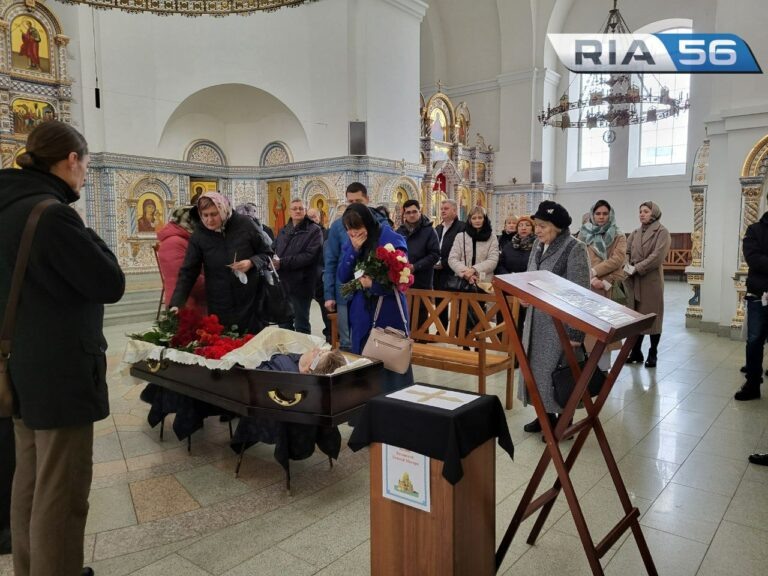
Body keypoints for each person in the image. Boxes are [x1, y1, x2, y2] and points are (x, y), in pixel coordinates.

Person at [0, 120, 125, 576]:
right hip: (59, 372)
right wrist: (87, 230)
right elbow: (109, 281)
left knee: (29, 479)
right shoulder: (50, 213)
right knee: (62, 490)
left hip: (18, 368)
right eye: (86, 164)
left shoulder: (8, 205)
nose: (87, 174)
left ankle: (32, 569)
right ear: (70, 160)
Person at [517, 201, 590, 436]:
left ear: (557, 227)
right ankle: (543, 416)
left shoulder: (574, 248)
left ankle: (564, 419)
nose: (537, 230)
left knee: (556, 373)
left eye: (543, 226)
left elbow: (581, 293)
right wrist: (523, 297)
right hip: (535, 322)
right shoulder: (539, 247)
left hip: (558, 325)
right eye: (536, 225)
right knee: (536, 372)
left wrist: (576, 334)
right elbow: (529, 278)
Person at [170, 192, 272, 335]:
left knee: (253, 346)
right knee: (225, 347)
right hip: (219, 303)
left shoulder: (245, 224)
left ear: (223, 209)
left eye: (214, 214)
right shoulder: (199, 234)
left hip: (251, 301)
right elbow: (188, 271)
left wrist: (251, 262)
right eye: (205, 215)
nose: (209, 220)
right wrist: (177, 302)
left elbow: (267, 253)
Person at [338, 203, 414, 393]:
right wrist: (354, 251)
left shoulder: (391, 240)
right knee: (363, 358)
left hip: (387, 310)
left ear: (368, 223)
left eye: (358, 229)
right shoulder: (353, 242)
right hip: (361, 312)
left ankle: (394, 407)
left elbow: (400, 277)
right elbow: (342, 275)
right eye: (350, 231)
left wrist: (374, 285)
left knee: (388, 357)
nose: (354, 234)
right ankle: (365, 410)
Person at [324, 182, 387, 350]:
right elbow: (330, 261)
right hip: (344, 289)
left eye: (358, 200)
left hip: (371, 290)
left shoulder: (381, 223)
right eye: (350, 202)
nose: (354, 205)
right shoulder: (338, 226)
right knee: (347, 342)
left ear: (367, 199)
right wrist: (329, 294)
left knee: (372, 340)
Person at [578, 200, 626, 371]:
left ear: (610, 215)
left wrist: (596, 272)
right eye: (598, 213)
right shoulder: (584, 234)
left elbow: (618, 260)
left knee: (604, 332)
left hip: (607, 286)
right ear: (592, 214)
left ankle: (603, 370)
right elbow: (579, 258)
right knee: (587, 332)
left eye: (605, 213)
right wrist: (590, 277)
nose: (601, 217)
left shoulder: (618, 235)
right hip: (587, 287)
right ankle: (586, 369)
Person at [624, 201, 671, 368]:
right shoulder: (635, 232)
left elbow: (657, 257)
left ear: (654, 213)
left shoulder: (662, 232)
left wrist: (637, 268)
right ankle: (636, 352)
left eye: (646, 211)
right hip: (634, 280)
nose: (642, 214)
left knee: (653, 317)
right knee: (636, 318)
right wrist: (628, 265)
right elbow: (626, 251)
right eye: (640, 211)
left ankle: (653, 352)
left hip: (651, 280)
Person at [273, 198, 323, 334]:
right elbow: (274, 249)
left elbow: (309, 256)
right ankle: (287, 354)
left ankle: (303, 354)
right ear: (289, 211)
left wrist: (282, 262)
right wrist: (271, 259)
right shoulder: (283, 230)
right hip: (282, 282)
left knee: (301, 323)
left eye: (301, 208)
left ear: (305, 211)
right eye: (294, 208)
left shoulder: (314, 230)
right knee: (283, 322)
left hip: (302, 283)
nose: (298, 211)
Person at [735, 208, 768, 401]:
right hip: (760, 293)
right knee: (755, 340)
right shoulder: (755, 230)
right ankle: (753, 383)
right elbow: (753, 259)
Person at [156, 206, 206, 316]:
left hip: (195, 301)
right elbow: (184, 276)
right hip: (185, 304)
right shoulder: (173, 242)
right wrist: (215, 285)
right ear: (189, 221)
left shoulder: (185, 239)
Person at [448, 205, 499, 288]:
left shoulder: (492, 237)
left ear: (485, 219)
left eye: (480, 218)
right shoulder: (460, 237)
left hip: (484, 282)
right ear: (469, 220)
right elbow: (452, 259)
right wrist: (466, 274)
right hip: (463, 281)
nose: (477, 220)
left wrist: (474, 270)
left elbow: (493, 260)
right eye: (474, 218)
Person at [396, 199, 439, 290]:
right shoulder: (399, 232)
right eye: (408, 212)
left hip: (422, 282)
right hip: (402, 281)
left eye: (414, 212)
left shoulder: (429, 231)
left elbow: (435, 255)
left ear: (420, 212)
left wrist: (415, 267)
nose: (411, 215)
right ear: (405, 215)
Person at [307, 208, 331, 342]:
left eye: (314, 217)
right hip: (305, 278)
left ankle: (329, 334)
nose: (312, 219)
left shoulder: (326, 233)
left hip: (320, 278)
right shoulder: (303, 234)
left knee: (325, 309)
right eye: (309, 217)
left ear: (319, 217)